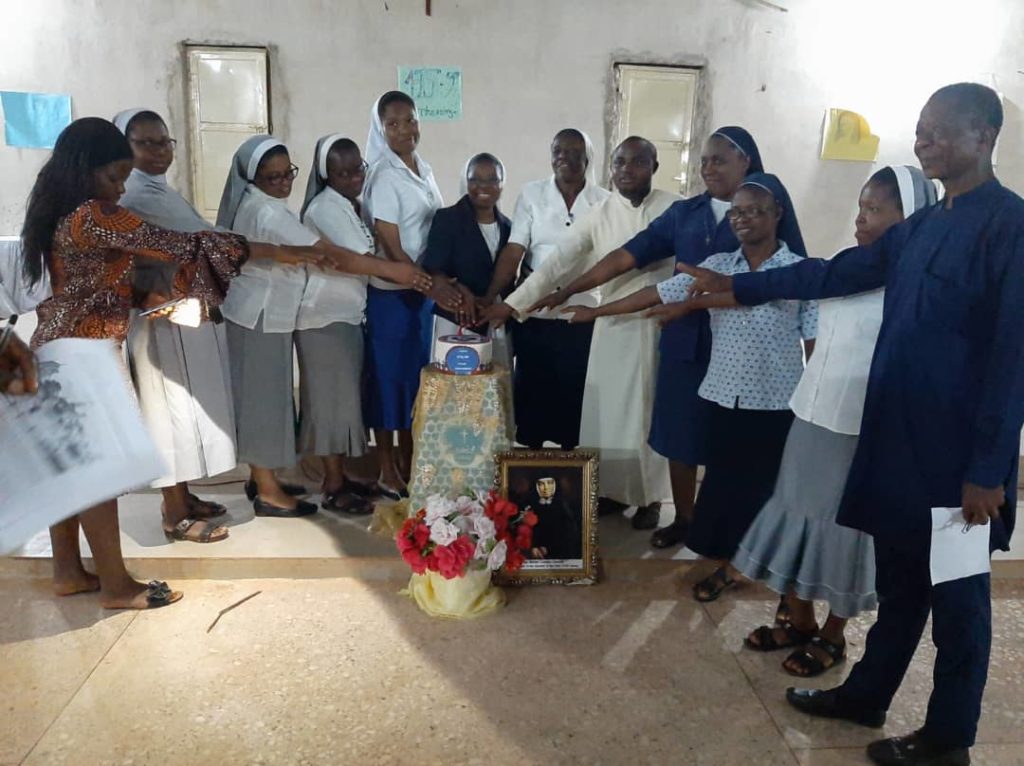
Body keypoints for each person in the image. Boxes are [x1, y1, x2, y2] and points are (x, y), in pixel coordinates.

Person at [676, 83, 1021, 766]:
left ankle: (949, 739)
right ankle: (866, 696)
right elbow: (831, 274)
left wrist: (987, 470)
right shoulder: (919, 231)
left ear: (982, 136)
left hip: (957, 471)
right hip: (896, 455)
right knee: (901, 591)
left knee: (958, 606)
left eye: (938, 132)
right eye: (919, 130)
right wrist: (739, 287)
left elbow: (1013, 358)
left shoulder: (1010, 227)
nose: (922, 142)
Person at [21, 117, 337, 608]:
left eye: (125, 177)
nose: (121, 188)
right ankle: (117, 585)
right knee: (97, 475)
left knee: (71, 470)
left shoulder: (58, 210)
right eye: (114, 176)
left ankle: (68, 569)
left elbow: (90, 283)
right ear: (86, 169)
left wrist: (149, 294)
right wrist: (278, 251)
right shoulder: (93, 214)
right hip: (85, 356)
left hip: (57, 349)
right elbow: (180, 243)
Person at [536, 128, 807, 548]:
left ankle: (736, 531)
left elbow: (791, 294)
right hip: (684, 341)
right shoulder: (687, 213)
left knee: (733, 445)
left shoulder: (768, 217)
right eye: (703, 161)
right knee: (680, 434)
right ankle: (685, 518)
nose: (708, 168)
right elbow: (631, 254)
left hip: (747, 355)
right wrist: (573, 289)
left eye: (719, 159)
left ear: (746, 162)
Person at [568, 173, 816, 603]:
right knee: (722, 489)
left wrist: (814, 405)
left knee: (767, 492)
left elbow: (813, 342)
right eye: (736, 212)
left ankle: (766, 573)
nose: (743, 219)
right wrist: (597, 312)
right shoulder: (718, 266)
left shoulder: (800, 273)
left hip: (775, 402)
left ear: (777, 214)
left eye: (755, 210)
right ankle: (725, 566)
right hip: (722, 395)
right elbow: (655, 292)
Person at [733, 166, 936, 678]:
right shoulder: (851, 268)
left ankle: (833, 634)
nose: (860, 219)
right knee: (795, 517)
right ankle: (798, 619)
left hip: (858, 424)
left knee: (844, 531)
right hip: (811, 413)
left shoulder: (911, 284)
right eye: (860, 207)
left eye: (873, 209)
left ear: (906, 216)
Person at [218, 134, 430, 518]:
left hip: (286, 316)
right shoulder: (274, 212)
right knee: (286, 403)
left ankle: (269, 480)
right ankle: (307, 487)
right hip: (284, 315)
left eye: (287, 174)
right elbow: (333, 255)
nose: (284, 183)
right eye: (273, 177)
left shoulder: (331, 205)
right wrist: (403, 272)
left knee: (292, 401)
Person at [483, 137, 677, 529]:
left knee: (647, 413)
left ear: (655, 167)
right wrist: (513, 303)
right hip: (609, 324)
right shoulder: (602, 213)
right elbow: (557, 264)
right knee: (606, 415)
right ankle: (607, 490)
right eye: (620, 162)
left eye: (639, 162)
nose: (627, 170)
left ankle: (649, 499)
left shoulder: (673, 207)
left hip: (657, 324)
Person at [113, 107, 235, 544]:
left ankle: (185, 495)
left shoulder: (159, 189)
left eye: (164, 141)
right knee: (165, 415)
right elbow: (197, 239)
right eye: (146, 143)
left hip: (180, 313)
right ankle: (172, 513)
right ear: (123, 147)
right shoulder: (134, 194)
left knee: (187, 412)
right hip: (157, 319)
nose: (159, 151)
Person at [481, 128, 610, 450]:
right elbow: (515, 249)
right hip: (534, 308)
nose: (564, 158)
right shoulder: (532, 194)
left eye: (573, 152)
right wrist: (494, 297)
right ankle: (529, 477)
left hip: (580, 311)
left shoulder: (604, 201)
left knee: (575, 394)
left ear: (587, 157)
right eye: (558, 152)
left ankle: (571, 482)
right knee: (533, 393)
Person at [362, 91, 444, 498]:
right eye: (393, 124)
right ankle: (386, 469)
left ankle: (413, 464)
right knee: (387, 381)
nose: (404, 130)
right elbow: (389, 239)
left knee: (414, 382)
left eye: (409, 120)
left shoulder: (423, 169)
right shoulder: (383, 175)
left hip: (421, 292)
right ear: (381, 129)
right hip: (393, 294)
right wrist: (419, 278)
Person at [299, 134, 380, 514]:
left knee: (343, 400)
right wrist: (411, 273)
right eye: (341, 172)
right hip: (324, 317)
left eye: (357, 169)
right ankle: (332, 485)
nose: (352, 178)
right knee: (330, 403)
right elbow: (361, 258)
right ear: (325, 174)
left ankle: (341, 476)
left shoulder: (351, 205)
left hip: (346, 315)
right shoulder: (325, 207)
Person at [420, 152, 512, 366]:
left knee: (494, 385)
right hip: (455, 319)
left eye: (492, 180)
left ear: (502, 184)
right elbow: (434, 268)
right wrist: (460, 290)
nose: (483, 186)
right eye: (475, 179)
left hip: (494, 320)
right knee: (455, 388)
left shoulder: (509, 227)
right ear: (466, 181)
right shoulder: (447, 219)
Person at [527, 476, 581, 560]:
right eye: (541, 484)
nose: (546, 487)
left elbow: (568, 533)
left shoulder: (563, 506)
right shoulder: (531, 506)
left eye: (549, 483)